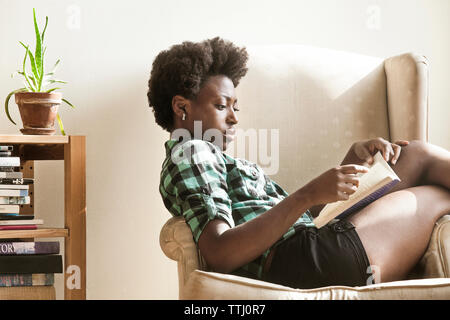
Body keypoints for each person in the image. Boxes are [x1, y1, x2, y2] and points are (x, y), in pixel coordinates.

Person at [148, 37, 450, 289]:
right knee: (435, 190)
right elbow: (221, 251)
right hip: (305, 262)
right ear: (181, 107)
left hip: (311, 246)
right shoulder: (191, 152)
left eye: (235, 106)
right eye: (220, 105)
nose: (234, 117)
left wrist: (353, 159)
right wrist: (306, 194)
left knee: (414, 156)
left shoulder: (211, 157)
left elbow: (304, 219)